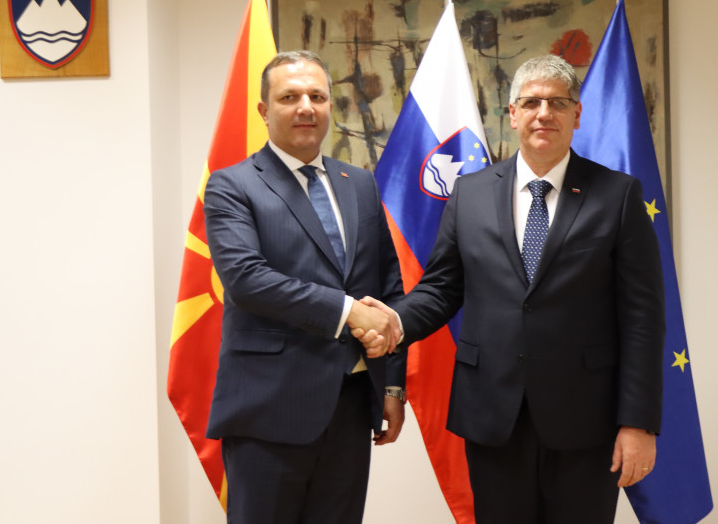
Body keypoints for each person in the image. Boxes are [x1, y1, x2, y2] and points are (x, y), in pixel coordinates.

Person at [360, 54, 666, 523]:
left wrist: (639, 422)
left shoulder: (618, 195)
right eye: (532, 102)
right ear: (513, 113)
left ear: (576, 114)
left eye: (558, 103)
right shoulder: (470, 193)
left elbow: (643, 319)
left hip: (587, 418)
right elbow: (442, 289)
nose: (545, 113)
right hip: (492, 415)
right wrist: (395, 319)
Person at [203, 50, 406, 524]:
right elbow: (247, 280)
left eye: (317, 96)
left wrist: (392, 385)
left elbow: (388, 289)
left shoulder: (359, 183)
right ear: (263, 110)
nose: (306, 107)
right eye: (289, 97)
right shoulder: (232, 186)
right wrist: (349, 312)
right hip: (267, 413)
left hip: (351, 407)